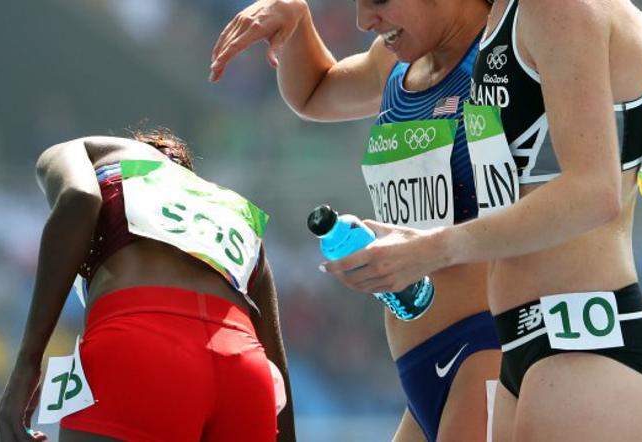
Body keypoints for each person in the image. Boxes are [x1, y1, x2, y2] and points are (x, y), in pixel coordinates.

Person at [316, 0, 642, 440]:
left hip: (582, 338)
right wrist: (415, 238)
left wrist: (432, 248)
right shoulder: (508, 15)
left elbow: (595, 193)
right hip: (525, 341)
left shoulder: (554, 9)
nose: (363, 19)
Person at [210, 1, 506, 441]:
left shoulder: (513, 49)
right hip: (421, 366)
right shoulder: (396, 57)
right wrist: (296, 19)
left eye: (378, 1)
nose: (364, 21)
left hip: (489, 348)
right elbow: (315, 91)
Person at [0, 129, 295, 442]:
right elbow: (276, 364)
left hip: (138, 352)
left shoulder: (92, 151)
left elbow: (80, 198)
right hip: (245, 371)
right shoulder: (235, 213)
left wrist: (26, 367)